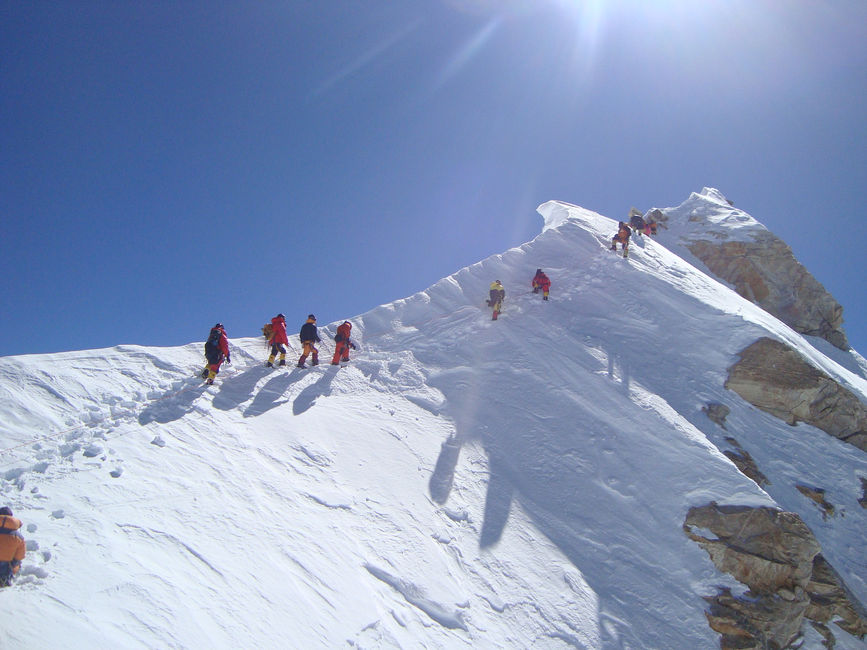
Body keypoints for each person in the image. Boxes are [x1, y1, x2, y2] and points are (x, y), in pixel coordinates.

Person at [0, 507, 26, 587]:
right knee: (13, 563)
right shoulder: (18, 536)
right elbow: (20, 555)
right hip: (5, 564)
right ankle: (4, 579)